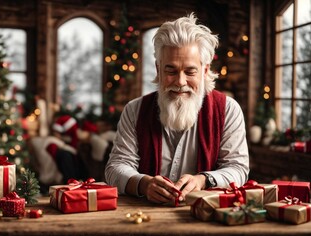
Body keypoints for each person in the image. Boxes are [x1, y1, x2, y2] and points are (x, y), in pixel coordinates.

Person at [104, 13, 249, 205]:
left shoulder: (229, 110)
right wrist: (143, 184)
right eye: (171, 70)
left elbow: (238, 169)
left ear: (205, 71)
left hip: (206, 217)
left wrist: (204, 180)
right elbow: (115, 167)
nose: (180, 82)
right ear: (158, 69)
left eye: (190, 71)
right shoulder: (134, 110)